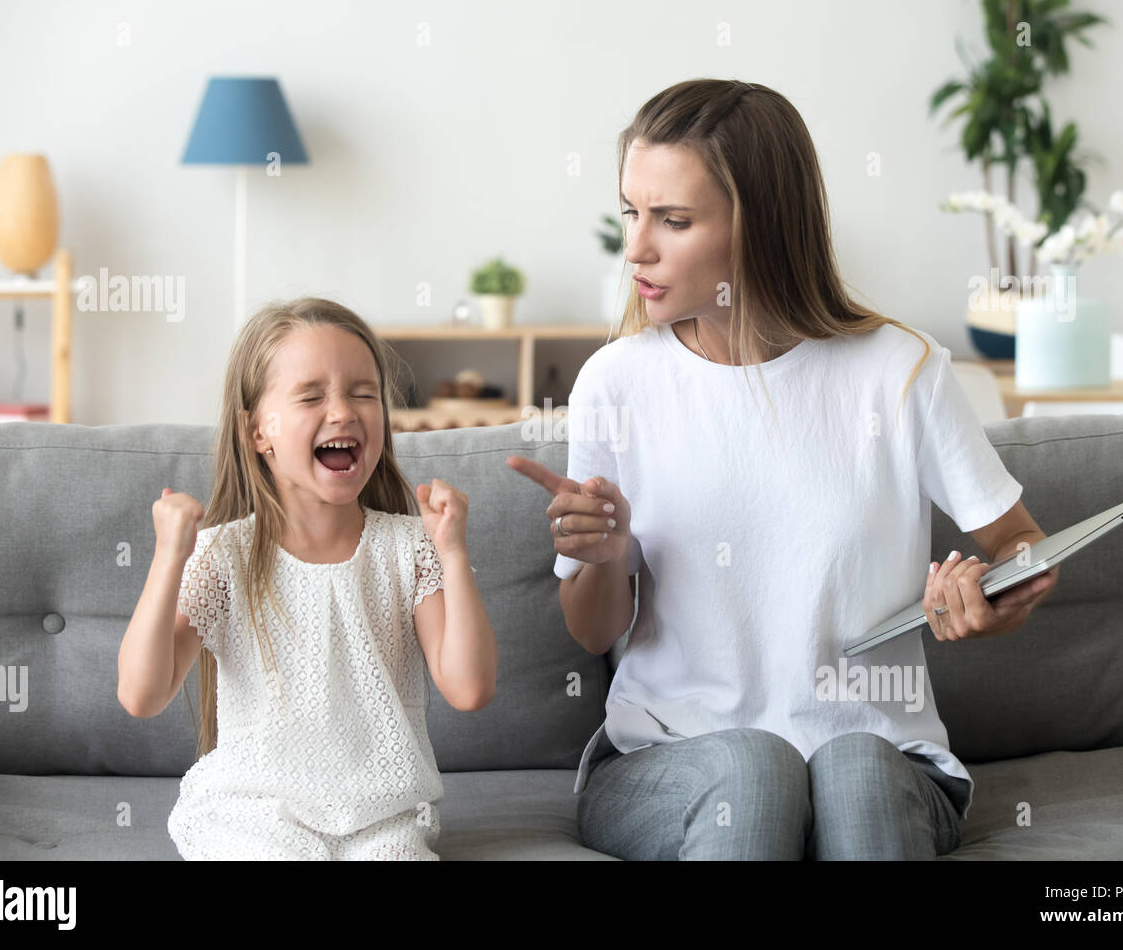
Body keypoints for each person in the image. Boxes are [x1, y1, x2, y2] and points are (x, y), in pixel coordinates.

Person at [509, 79, 1059, 860]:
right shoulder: (615, 382)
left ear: (759, 225)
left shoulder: (900, 371)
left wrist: (990, 597)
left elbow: (1024, 548)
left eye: (673, 220)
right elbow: (591, 629)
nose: (636, 247)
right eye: (630, 212)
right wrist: (600, 559)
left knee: (854, 770)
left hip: (880, 754)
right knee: (754, 766)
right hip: (667, 761)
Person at [117, 297, 496, 860]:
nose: (343, 411)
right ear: (257, 432)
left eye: (363, 392)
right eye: (312, 395)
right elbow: (141, 695)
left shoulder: (409, 547)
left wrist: (454, 554)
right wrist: (169, 558)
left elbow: (469, 688)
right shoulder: (225, 556)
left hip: (382, 819)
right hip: (253, 814)